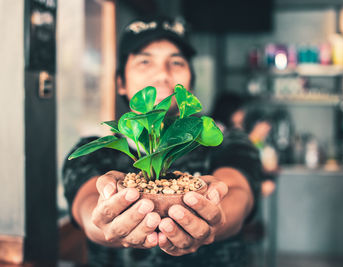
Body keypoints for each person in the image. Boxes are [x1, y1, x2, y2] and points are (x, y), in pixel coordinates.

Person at [62, 16, 262, 267]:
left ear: (191, 80)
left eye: (176, 62)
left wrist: (216, 218)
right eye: (145, 61)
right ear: (120, 83)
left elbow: (238, 192)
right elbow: (88, 204)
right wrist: (103, 220)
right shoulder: (96, 150)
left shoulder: (227, 140)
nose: (162, 74)